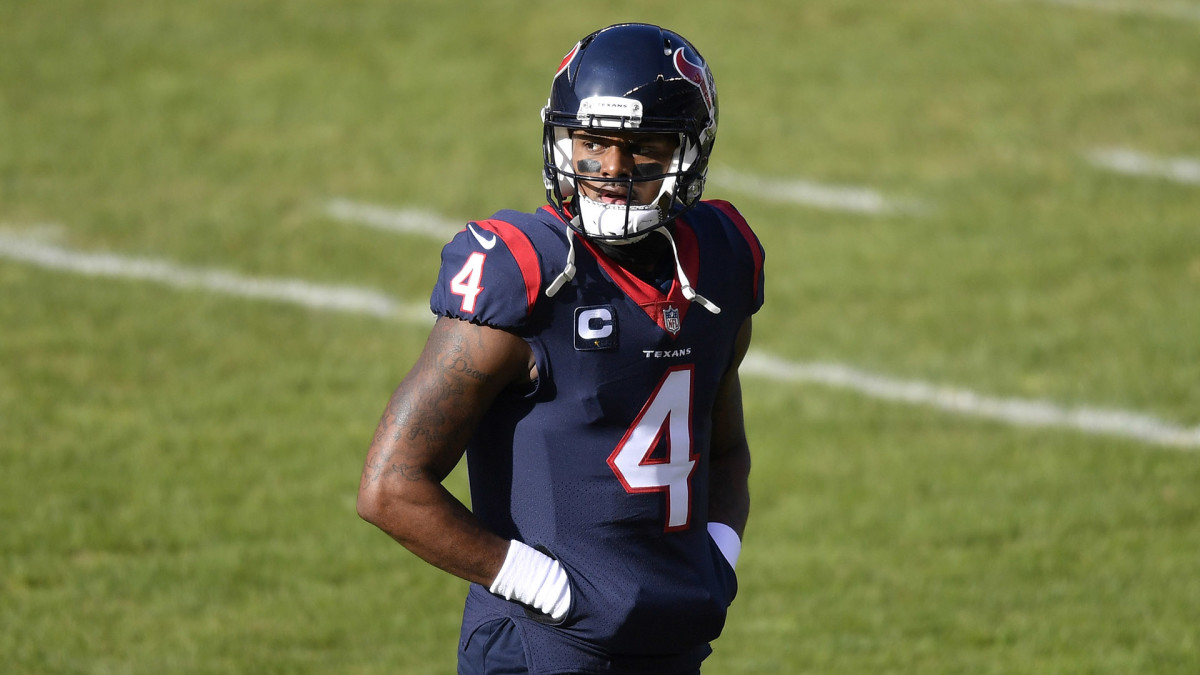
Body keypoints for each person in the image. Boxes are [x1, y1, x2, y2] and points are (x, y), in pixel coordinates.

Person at [357, 22, 765, 674]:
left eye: (644, 148)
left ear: (690, 152)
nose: (611, 169)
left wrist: (717, 553)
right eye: (593, 142)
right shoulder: (526, 273)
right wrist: (541, 586)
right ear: (561, 140)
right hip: (546, 648)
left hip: (673, 639)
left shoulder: (722, 259)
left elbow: (726, 447)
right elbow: (390, 485)